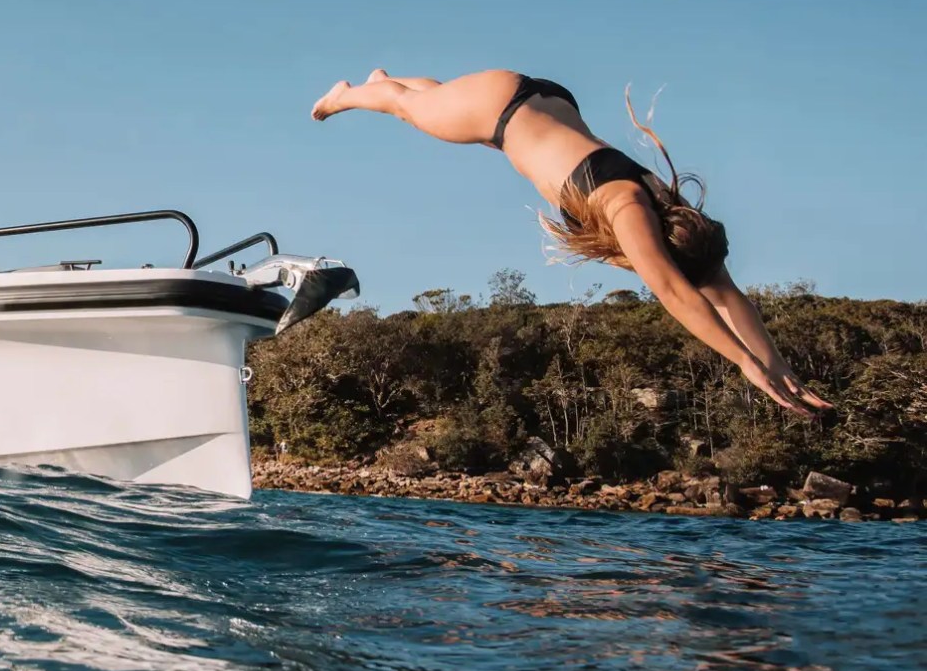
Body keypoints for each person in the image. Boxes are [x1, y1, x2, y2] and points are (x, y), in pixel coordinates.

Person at [311, 68, 830, 417]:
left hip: (539, 101)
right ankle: (349, 94)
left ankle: (384, 79)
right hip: (500, 112)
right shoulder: (625, 207)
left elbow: (726, 295)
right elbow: (678, 295)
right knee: (406, 107)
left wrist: (777, 366)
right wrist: (743, 362)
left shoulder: (661, 201)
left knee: (431, 100)